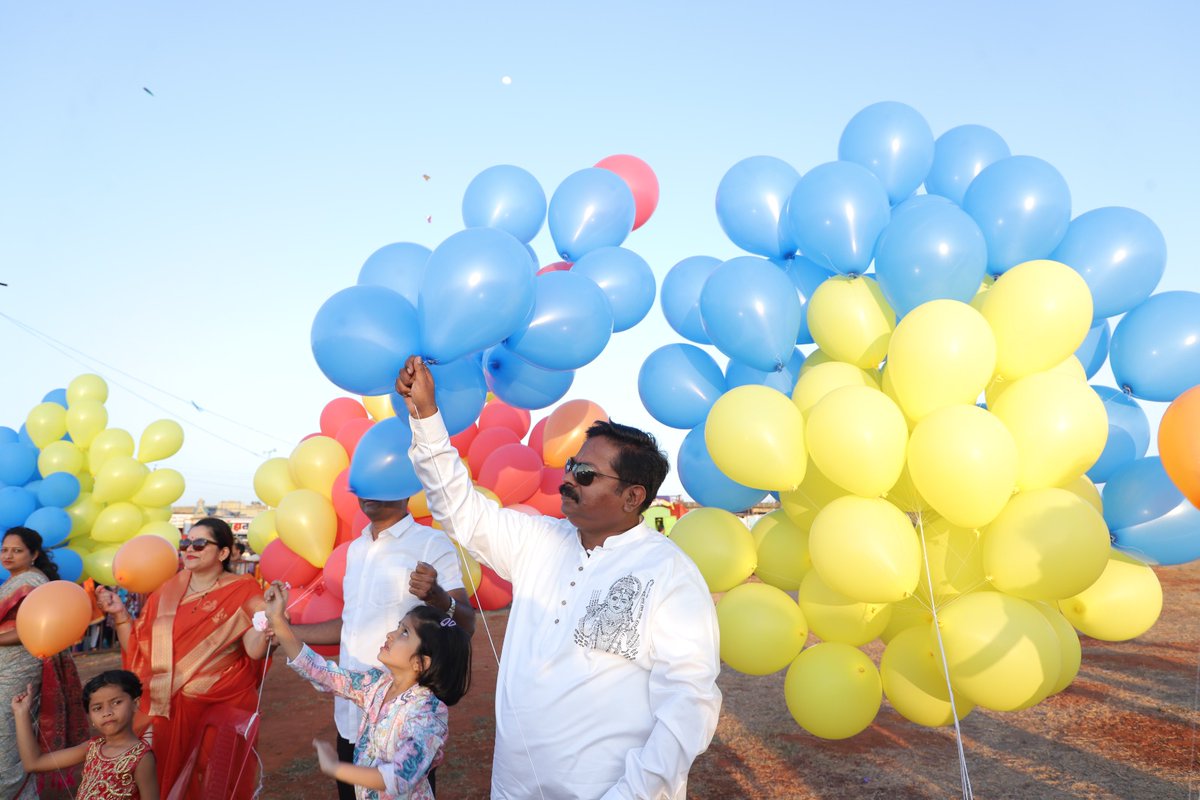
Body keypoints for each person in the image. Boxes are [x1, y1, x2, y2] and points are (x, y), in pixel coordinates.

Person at [396, 356, 723, 800]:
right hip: (513, 787)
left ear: (632, 497)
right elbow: (460, 510)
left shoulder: (669, 575)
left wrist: (630, 794)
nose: (568, 478)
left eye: (585, 475)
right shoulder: (540, 540)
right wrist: (426, 418)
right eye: (572, 465)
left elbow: (688, 705)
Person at [285, 495, 475, 800]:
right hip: (354, 715)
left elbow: (465, 625)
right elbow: (349, 626)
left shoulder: (431, 543)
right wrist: (284, 630)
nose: (367, 490)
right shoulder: (356, 549)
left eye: (402, 632)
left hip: (400, 719)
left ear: (402, 485)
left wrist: (438, 596)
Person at [94, 517, 270, 799]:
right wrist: (119, 614)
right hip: (165, 710)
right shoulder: (167, 590)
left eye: (200, 544)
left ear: (223, 553)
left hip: (217, 708)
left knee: (210, 781)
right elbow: (140, 652)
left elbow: (255, 650)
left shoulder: (244, 590)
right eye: (186, 542)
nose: (190, 548)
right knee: (159, 779)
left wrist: (270, 620)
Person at [265, 582, 471, 800]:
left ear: (421, 663)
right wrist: (277, 619)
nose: (391, 634)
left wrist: (335, 768)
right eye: (398, 626)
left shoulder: (427, 714)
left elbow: (399, 777)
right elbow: (321, 672)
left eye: (404, 632)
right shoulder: (378, 684)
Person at [1, 526, 89, 800]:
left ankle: (13, 789)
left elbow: (30, 629)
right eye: (5, 549)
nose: (8, 555)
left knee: (8, 730)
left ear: (34, 554)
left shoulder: (32, 582)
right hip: (8, 664)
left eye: (17, 550)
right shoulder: (14, 581)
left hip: (20, 666)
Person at [12, 669, 159, 799]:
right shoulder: (92, 748)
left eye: (116, 702)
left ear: (135, 704)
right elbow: (33, 763)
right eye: (97, 708)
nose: (107, 712)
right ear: (90, 717)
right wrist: (21, 713)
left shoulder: (141, 758)